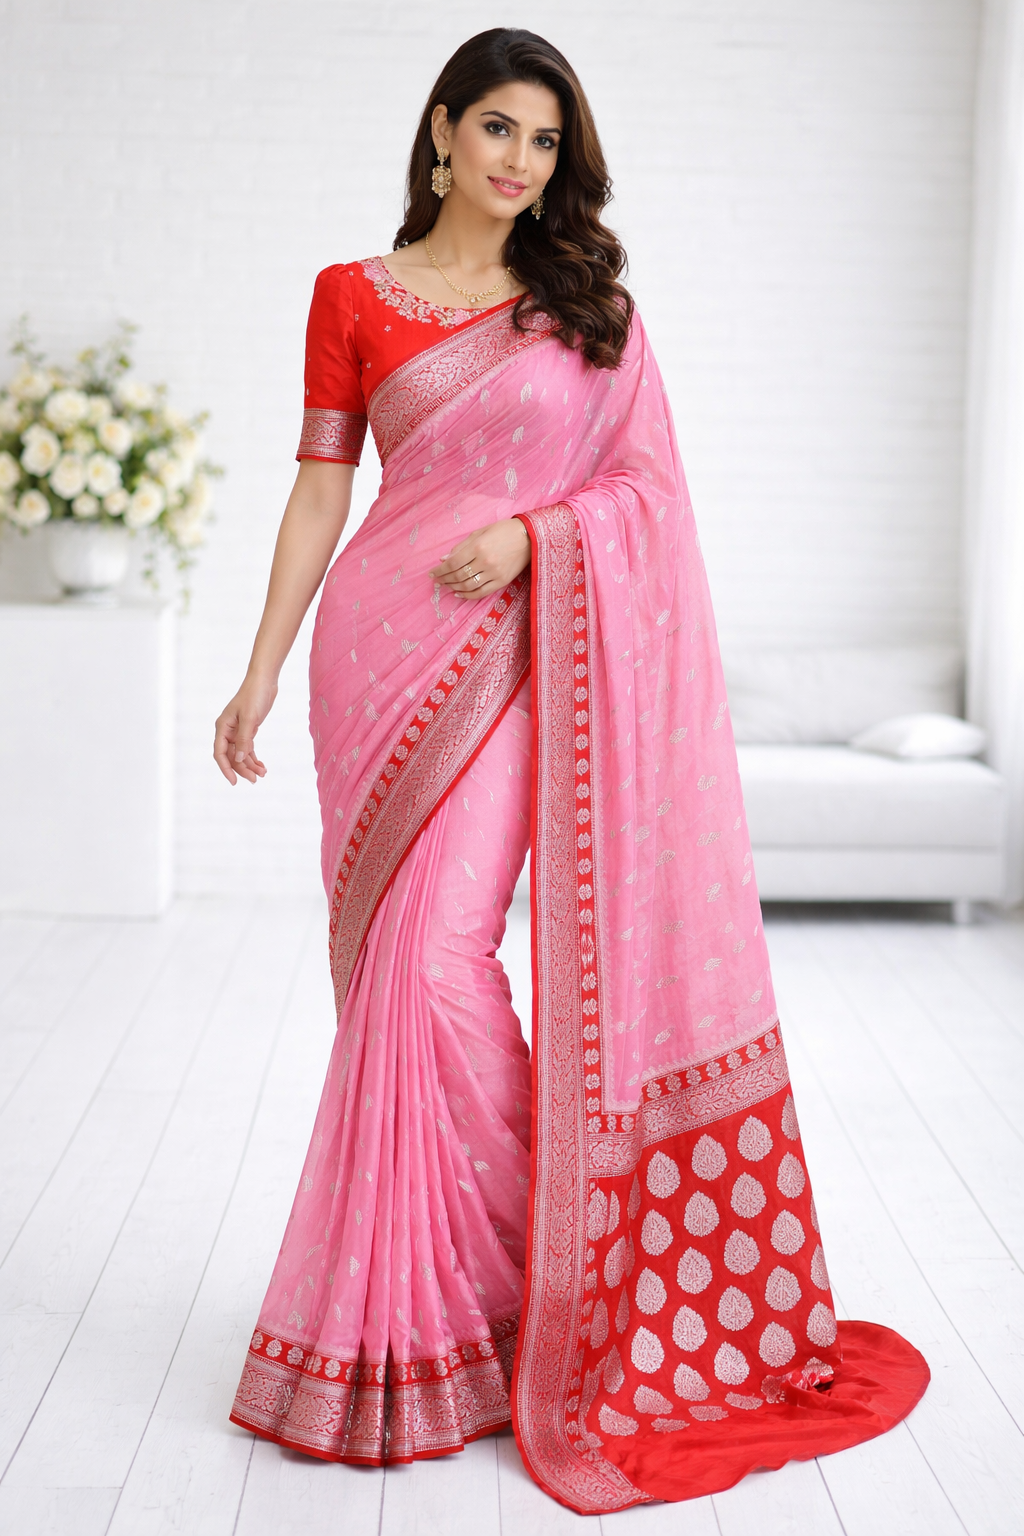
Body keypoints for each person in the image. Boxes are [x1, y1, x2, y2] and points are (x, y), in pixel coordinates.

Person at [215, 27, 928, 1514]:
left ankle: (551, 1284)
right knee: (394, 981)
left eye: (542, 142)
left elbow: (644, 494)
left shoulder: (584, 309)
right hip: (375, 653)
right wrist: (263, 664)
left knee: (441, 967)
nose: (516, 161)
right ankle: (443, 1319)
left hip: (515, 657)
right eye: (495, 128)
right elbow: (317, 491)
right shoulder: (352, 295)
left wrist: (536, 542)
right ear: (439, 131)